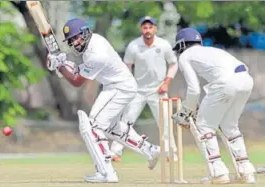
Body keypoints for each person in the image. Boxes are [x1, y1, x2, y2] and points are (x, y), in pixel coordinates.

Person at [46, 18, 160, 183]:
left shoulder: (97, 54)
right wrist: (62, 63)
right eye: (72, 40)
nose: (76, 42)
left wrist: (59, 66)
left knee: (92, 126)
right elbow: (78, 70)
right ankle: (150, 150)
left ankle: (106, 172)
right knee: (110, 126)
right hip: (114, 86)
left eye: (77, 37)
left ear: (86, 32)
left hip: (120, 87)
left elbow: (76, 81)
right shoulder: (94, 42)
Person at [172, 28, 256, 184]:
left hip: (226, 83)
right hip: (246, 79)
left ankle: (218, 173)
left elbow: (194, 89)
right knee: (229, 126)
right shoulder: (210, 51)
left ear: (181, 45)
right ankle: (246, 171)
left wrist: (186, 112)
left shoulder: (184, 56)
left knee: (204, 125)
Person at [110, 16, 178, 162]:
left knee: (165, 122)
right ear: (141, 29)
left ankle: (170, 152)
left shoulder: (164, 45)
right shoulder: (133, 46)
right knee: (126, 121)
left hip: (158, 90)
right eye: (145, 27)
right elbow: (126, 66)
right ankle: (115, 151)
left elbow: (173, 64)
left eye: (150, 27)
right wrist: (128, 85)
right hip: (138, 91)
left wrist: (166, 82)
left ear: (155, 29)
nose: (147, 30)